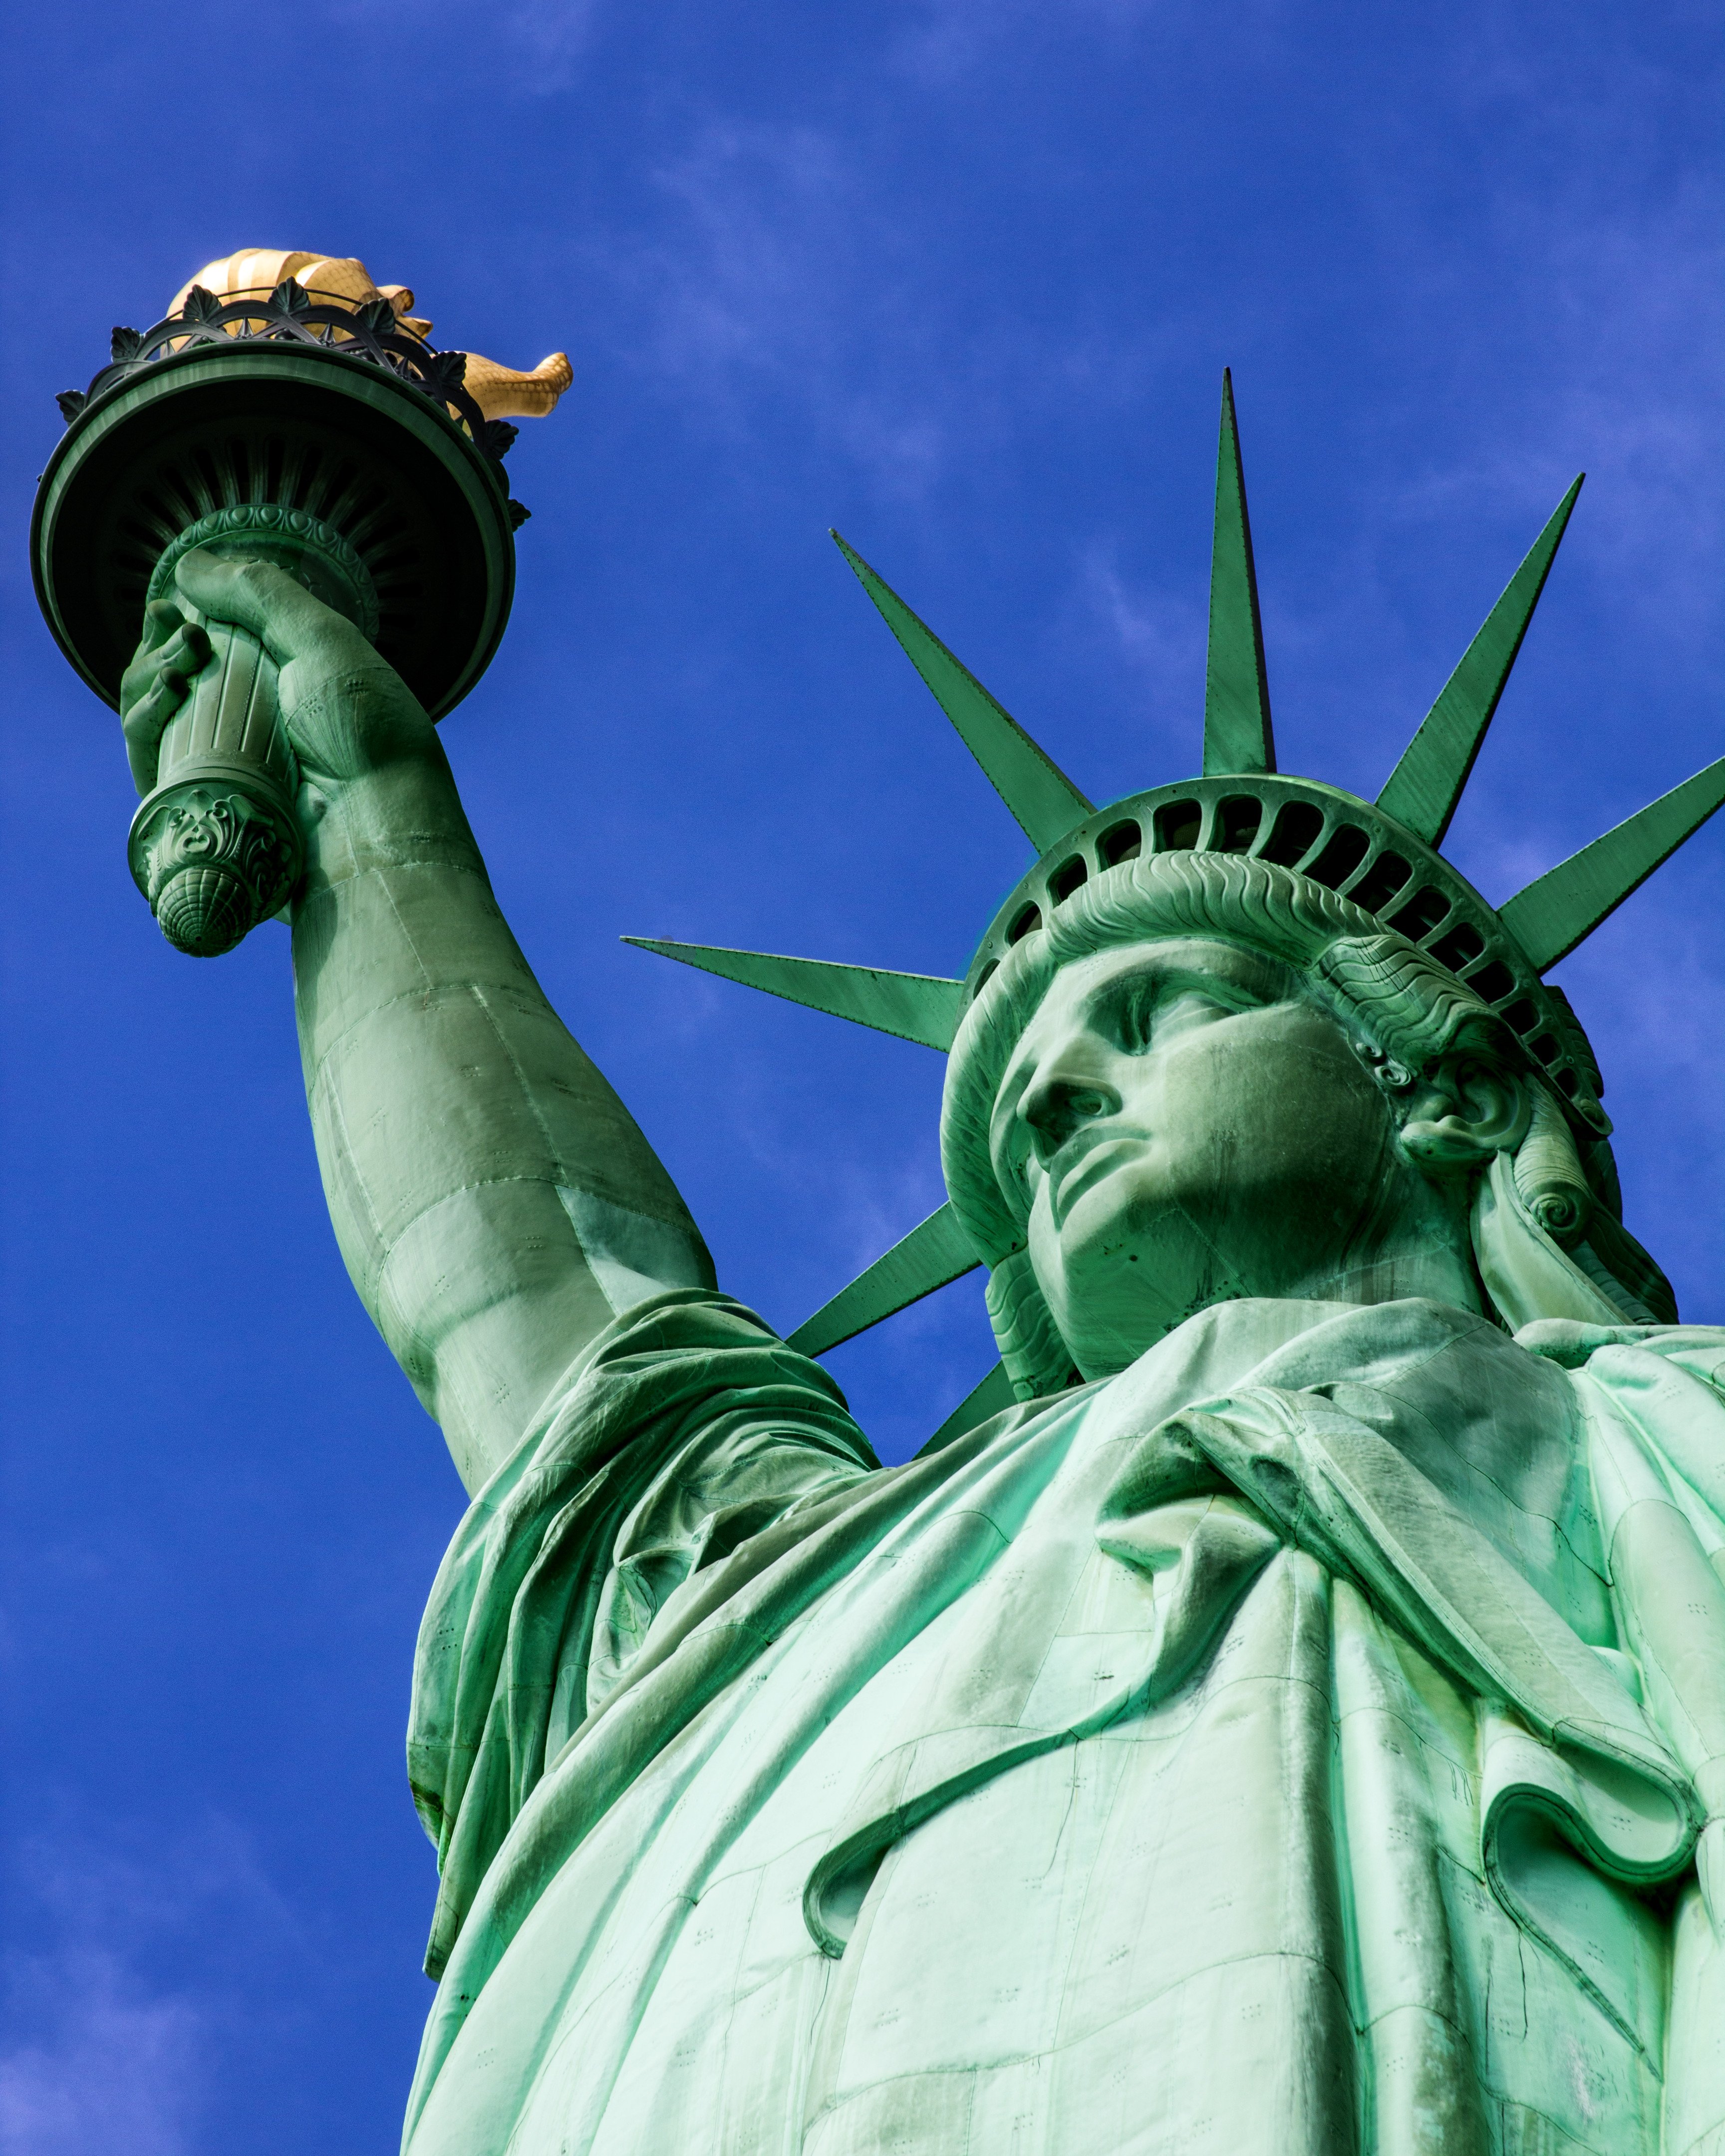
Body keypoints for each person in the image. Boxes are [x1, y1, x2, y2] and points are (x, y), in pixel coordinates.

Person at [120, 536, 1725, 2156]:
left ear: (1443, 1091)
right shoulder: (839, 1582)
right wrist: (369, 814)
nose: (1053, 1096)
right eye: (1020, 1120)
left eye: (1162, 1008)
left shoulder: (1678, 1443)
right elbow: (533, 1296)